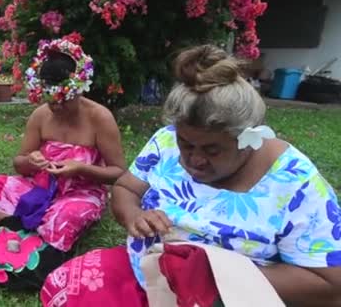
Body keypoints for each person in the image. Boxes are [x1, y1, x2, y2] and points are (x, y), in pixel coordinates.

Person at [41, 45, 341, 306]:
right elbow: (126, 188)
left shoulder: (294, 182)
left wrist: (215, 275)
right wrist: (133, 215)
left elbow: (330, 287)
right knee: (63, 286)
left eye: (212, 150)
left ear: (248, 139)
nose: (195, 160)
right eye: (186, 144)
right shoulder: (167, 140)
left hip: (227, 299)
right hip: (147, 274)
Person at [0, 39, 125, 288]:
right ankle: (22, 227)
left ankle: (25, 228)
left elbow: (117, 173)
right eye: (51, 99)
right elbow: (19, 163)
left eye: (64, 99)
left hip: (79, 193)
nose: (56, 106)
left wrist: (80, 168)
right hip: (37, 189)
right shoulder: (41, 115)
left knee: (66, 216)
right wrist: (31, 161)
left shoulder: (99, 118)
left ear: (79, 89)